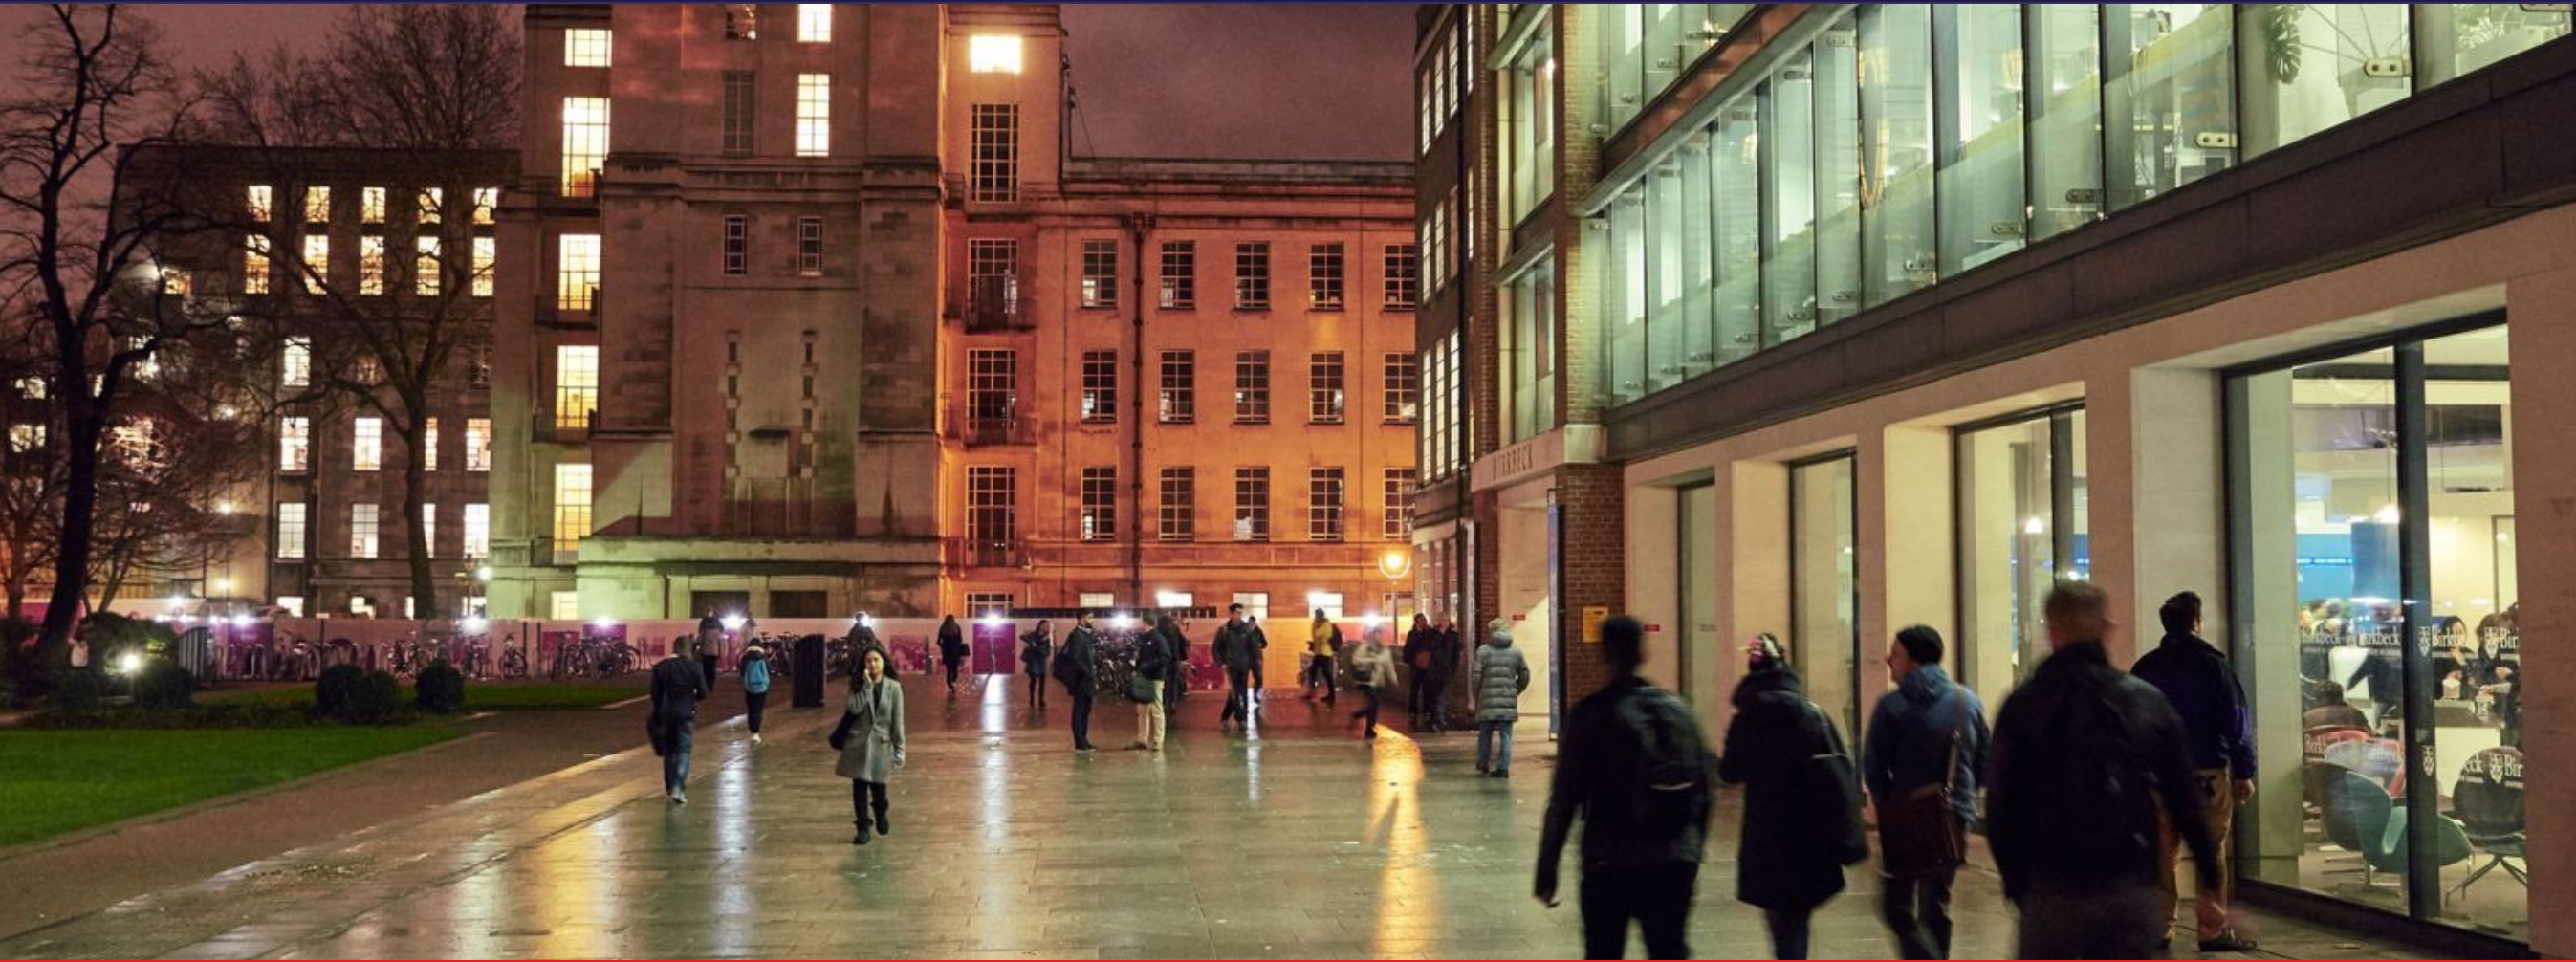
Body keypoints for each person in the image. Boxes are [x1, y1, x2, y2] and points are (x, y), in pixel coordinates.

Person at [1989, 582, 2218, 959]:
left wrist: (2019, 885)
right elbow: (2183, 796)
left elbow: (2002, 804)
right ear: (2106, 627)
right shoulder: (2141, 700)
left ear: (2052, 631)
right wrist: (2209, 878)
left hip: (2052, 888)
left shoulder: (2024, 704)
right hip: (2128, 888)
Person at [1536, 616, 1714, 961]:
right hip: (1672, 860)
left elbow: (1565, 796)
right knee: (1669, 949)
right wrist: (1692, 850)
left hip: (1610, 859)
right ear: (1642, 653)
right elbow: (1704, 787)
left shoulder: (1591, 714)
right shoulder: (1679, 711)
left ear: (1605, 653)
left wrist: (1547, 868)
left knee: (1604, 950)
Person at [2128, 592, 2259, 953]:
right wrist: (2244, 771)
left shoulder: (2145, 667)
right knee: (2210, 851)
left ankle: (2159, 927)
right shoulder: (2214, 667)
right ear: (2197, 622)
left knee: (2160, 854)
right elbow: (2237, 723)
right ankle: (2211, 928)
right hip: (2206, 774)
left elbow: (2129, 722)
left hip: (2155, 778)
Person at [1720, 635, 1858, 960]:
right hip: (1809, 832)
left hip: (1767, 833)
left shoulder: (1749, 716)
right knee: (1798, 916)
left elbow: (1729, 771)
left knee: (1780, 919)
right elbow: (1840, 767)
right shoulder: (1812, 713)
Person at [1863, 626, 1989, 960]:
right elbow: (1983, 761)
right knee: (1936, 902)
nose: (1889, 659)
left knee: (1895, 904)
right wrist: (1961, 798)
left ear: (1914, 661)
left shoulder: (1891, 705)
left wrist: (1884, 802)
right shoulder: (1967, 701)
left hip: (1904, 816)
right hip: (1952, 817)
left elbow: (1874, 764)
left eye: (1896, 653)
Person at [830, 648, 906, 845]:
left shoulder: (894, 688)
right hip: (859, 744)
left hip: (881, 745)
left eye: (876, 660)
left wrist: (900, 748)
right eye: (868, 661)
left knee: (879, 789)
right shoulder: (857, 685)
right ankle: (863, 827)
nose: (872, 664)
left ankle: (881, 812)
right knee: (859, 787)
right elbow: (854, 708)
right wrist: (867, 686)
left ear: (883, 662)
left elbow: (897, 721)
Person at [647, 643, 709, 804]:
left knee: (669, 751)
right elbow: (703, 693)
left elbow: (655, 694)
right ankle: (678, 786)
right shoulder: (694, 667)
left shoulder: (661, 667)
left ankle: (669, 786)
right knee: (684, 750)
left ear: (674, 649)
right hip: (686, 714)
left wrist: (659, 710)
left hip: (666, 714)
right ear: (688, 651)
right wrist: (693, 696)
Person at [1474, 618, 1531, 777]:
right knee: (1506, 735)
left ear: (1492, 631)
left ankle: (1483, 763)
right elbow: (1525, 675)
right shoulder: (1516, 651)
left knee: (1485, 733)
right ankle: (1503, 768)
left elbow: (1476, 677)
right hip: (1508, 698)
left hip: (1487, 699)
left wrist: (1476, 695)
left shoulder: (1483, 651)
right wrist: (1515, 690)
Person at [1346, 624, 1398, 741]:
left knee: (1373, 705)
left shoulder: (1385, 651)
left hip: (1378, 681)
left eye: (1381, 633)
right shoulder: (1365, 647)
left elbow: (1389, 667)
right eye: (1377, 633)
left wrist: (1394, 680)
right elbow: (1355, 660)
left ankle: (1358, 716)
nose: (1379, 636)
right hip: (1365, 681)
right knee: (1374, 702)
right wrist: (1371, 660)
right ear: (1373, 634)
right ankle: (1369, 729)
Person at [1215, 604, 1261, 732]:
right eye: (1237, 613)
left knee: (1238, 693)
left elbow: (1254, 648)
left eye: (1241, 613)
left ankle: (1225, 717)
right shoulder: (1224, 630)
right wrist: (1221, 663)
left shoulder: (1247, 629)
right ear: (1231, 613)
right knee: (1237, 693)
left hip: (1244, 666)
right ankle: (1242, 719)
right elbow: (1215, 649)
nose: (1239, 615)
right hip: (1231, 667)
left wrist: (1255, 663)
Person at [1060, 611, 1102, 753]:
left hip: (1086, 678)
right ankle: (1080, 742)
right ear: (1082, 618)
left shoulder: (1085, 635)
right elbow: (1075, 658)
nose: (1092, 620)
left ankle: (1084, 740)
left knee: (1085, 710)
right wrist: (1087, 672)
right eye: (1090, 617)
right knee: (1080, 710)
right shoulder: (1077, 636)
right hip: (1081, 679)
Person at [1129, 617, 1170, 752]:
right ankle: (1142, 739)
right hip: (1144, 678)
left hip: (1155, 678)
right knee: (1142, 710)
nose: (1140, 625)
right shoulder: (1144, 638)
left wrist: (1147, 666)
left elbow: (1165, 657)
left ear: (1147, 624)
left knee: (1156, 709)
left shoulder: (1158, 639)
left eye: (1142, 623)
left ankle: (1158, 741)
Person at [1430, 618, 1464, 732]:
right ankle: (1436, 719)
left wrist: (1454, 668)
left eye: (1446, 621)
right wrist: (1440, 634)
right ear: (1439, 623)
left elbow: (1456, 653)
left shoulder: (1453, 636)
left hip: (1447, 671)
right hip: (1434, 671)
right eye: (1442, 621)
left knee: (1444, 696)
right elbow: (1432, 647)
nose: (1444, 623)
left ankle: (1441, 719)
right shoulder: (1433, 634)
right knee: (1435, 696)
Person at [1403, 615, 1436, 727]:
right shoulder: (1412, 634)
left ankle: (1427, 712)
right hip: (1416, 666)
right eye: (1421, 621)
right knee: (1414, 691)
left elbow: (1433, 646)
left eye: (1425, 620)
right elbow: (1409, 648)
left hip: (1428, 666)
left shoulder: (1431, 633)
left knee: (1428, 690)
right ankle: (1413, 712)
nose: (1424, 622)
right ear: (1416, 623)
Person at [2301, 680, 2372, 732]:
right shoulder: (2356, 714)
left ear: (2317, 698)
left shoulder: (2307, 717)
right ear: (2340, 696)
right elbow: (2370, 736)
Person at [740, 644, 774, 746]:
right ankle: (756, 732)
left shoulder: (745, 658)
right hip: (762, 687)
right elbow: (769, 671)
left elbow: (742, 672)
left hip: (749, 687)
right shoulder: (763, 657)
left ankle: (752, 728)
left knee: (751, 708)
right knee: (758, 709)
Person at [1305, 611, 1341, 706]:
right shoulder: (1319, 624)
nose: (1315, 617)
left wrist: (1316, 624)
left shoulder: (1325, 625)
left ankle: (1326, 695)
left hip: (1325, 653)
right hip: (1319, 652)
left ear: (1319, 616)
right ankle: (1316, 693)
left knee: (1325, 673)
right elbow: (1315, 635)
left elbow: (1317, 634)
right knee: (1314, 672)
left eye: (1316, 616)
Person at [1158, 615, 1191, 714]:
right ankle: (1172, 702)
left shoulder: (1158, 631)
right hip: (1174, 660)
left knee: (1162, 683)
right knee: (1173, 683)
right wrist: (1184, 657)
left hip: (1162, 661)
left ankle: (1163, 703)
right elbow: (1182, 642)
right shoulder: (1175, 629)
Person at [1019, 619, 1053, 710]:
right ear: (1040, 625)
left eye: (1047, 625)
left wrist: (1041, 649)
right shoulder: (1034, 634)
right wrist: (1032, 642)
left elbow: (1048, 649)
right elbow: (1022, 637)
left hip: (1041, 659)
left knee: (1042, 681)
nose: (1047, 627)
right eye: (1045, 625)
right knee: (1033, 681)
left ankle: (1041, 699)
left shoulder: (1047, 637)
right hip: (1033, 660)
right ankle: (1032, 699)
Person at [936, 614, 969, 693]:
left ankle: (949, 684)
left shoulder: (943, 627)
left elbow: (938, 641)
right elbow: (960, 639)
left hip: (946, 651)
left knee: (948, 669)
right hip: (955, 651)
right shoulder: (957, 627)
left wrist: (943, 646)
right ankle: (953, 681)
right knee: (955, 669)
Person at [1246, 616, 1270, 705]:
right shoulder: (1244, 631)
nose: (1252, 625)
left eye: (1253, 623)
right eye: (1250, 623)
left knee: (1259, 677)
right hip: (1246, 658)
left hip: (1257, 658)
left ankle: (1256, 695)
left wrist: (1260, 645)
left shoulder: (1258, 631)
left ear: (1255, 623)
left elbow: (1265, 643)